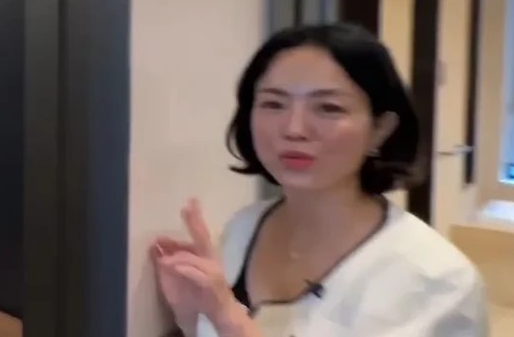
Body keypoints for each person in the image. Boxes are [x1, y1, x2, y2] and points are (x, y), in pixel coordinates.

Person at [151, 23, 488, 336]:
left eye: (329, 108)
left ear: (381, 129)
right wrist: (190, 314)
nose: (294, 129)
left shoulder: (438, 280)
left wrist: (228, 317)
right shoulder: (243, 228)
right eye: (273, 103)